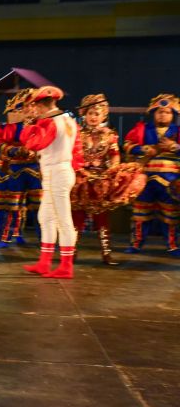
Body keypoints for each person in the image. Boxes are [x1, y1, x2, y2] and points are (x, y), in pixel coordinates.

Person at [71, 94, 146, 265]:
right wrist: (82, 171)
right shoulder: (76, 134)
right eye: (90, 113)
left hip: (101, 181)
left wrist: (112, 172)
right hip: (80, 179)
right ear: (84, 114)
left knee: (102, 219)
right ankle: (71, 252)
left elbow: (114, 157)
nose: (93, 117)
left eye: (97, 114)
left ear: (103, 115)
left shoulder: (110, 135)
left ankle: (106, 253)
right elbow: (73, 156)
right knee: (77, 218)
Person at [20, 86, 83, 278]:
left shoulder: (50, 122)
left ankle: (66, 266)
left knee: (63, 220)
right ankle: (45, 263)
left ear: (40, 105)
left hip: (57, 172)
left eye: (34, 106)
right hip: (59, 171)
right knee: (45, 217)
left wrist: (29, 125)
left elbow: (33, 143)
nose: (34, 110)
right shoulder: (69, 120)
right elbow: (77, 150)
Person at [122, 94, 180, 256]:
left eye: (167, 112)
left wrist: (174, 146)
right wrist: (143, 149)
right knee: (140, 212)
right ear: (153, 113)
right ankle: (136, 244)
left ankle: (173, 245)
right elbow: (127, 145)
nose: (163, 115)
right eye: (159, 111)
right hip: (145, 177)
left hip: (171, 179)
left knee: (171, 212)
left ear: (173, 115)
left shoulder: (178, 131)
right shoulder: (142, 129)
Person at [0, 89, 42, 248]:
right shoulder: (11, 125)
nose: (30, 108)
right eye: (26, 105)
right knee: (12, 205)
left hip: (35, 169)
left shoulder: (42, 124)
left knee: (40, 206)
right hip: (15, 168)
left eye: (33, 105)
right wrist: (11, 150)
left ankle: (45, 241)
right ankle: (5, 238)